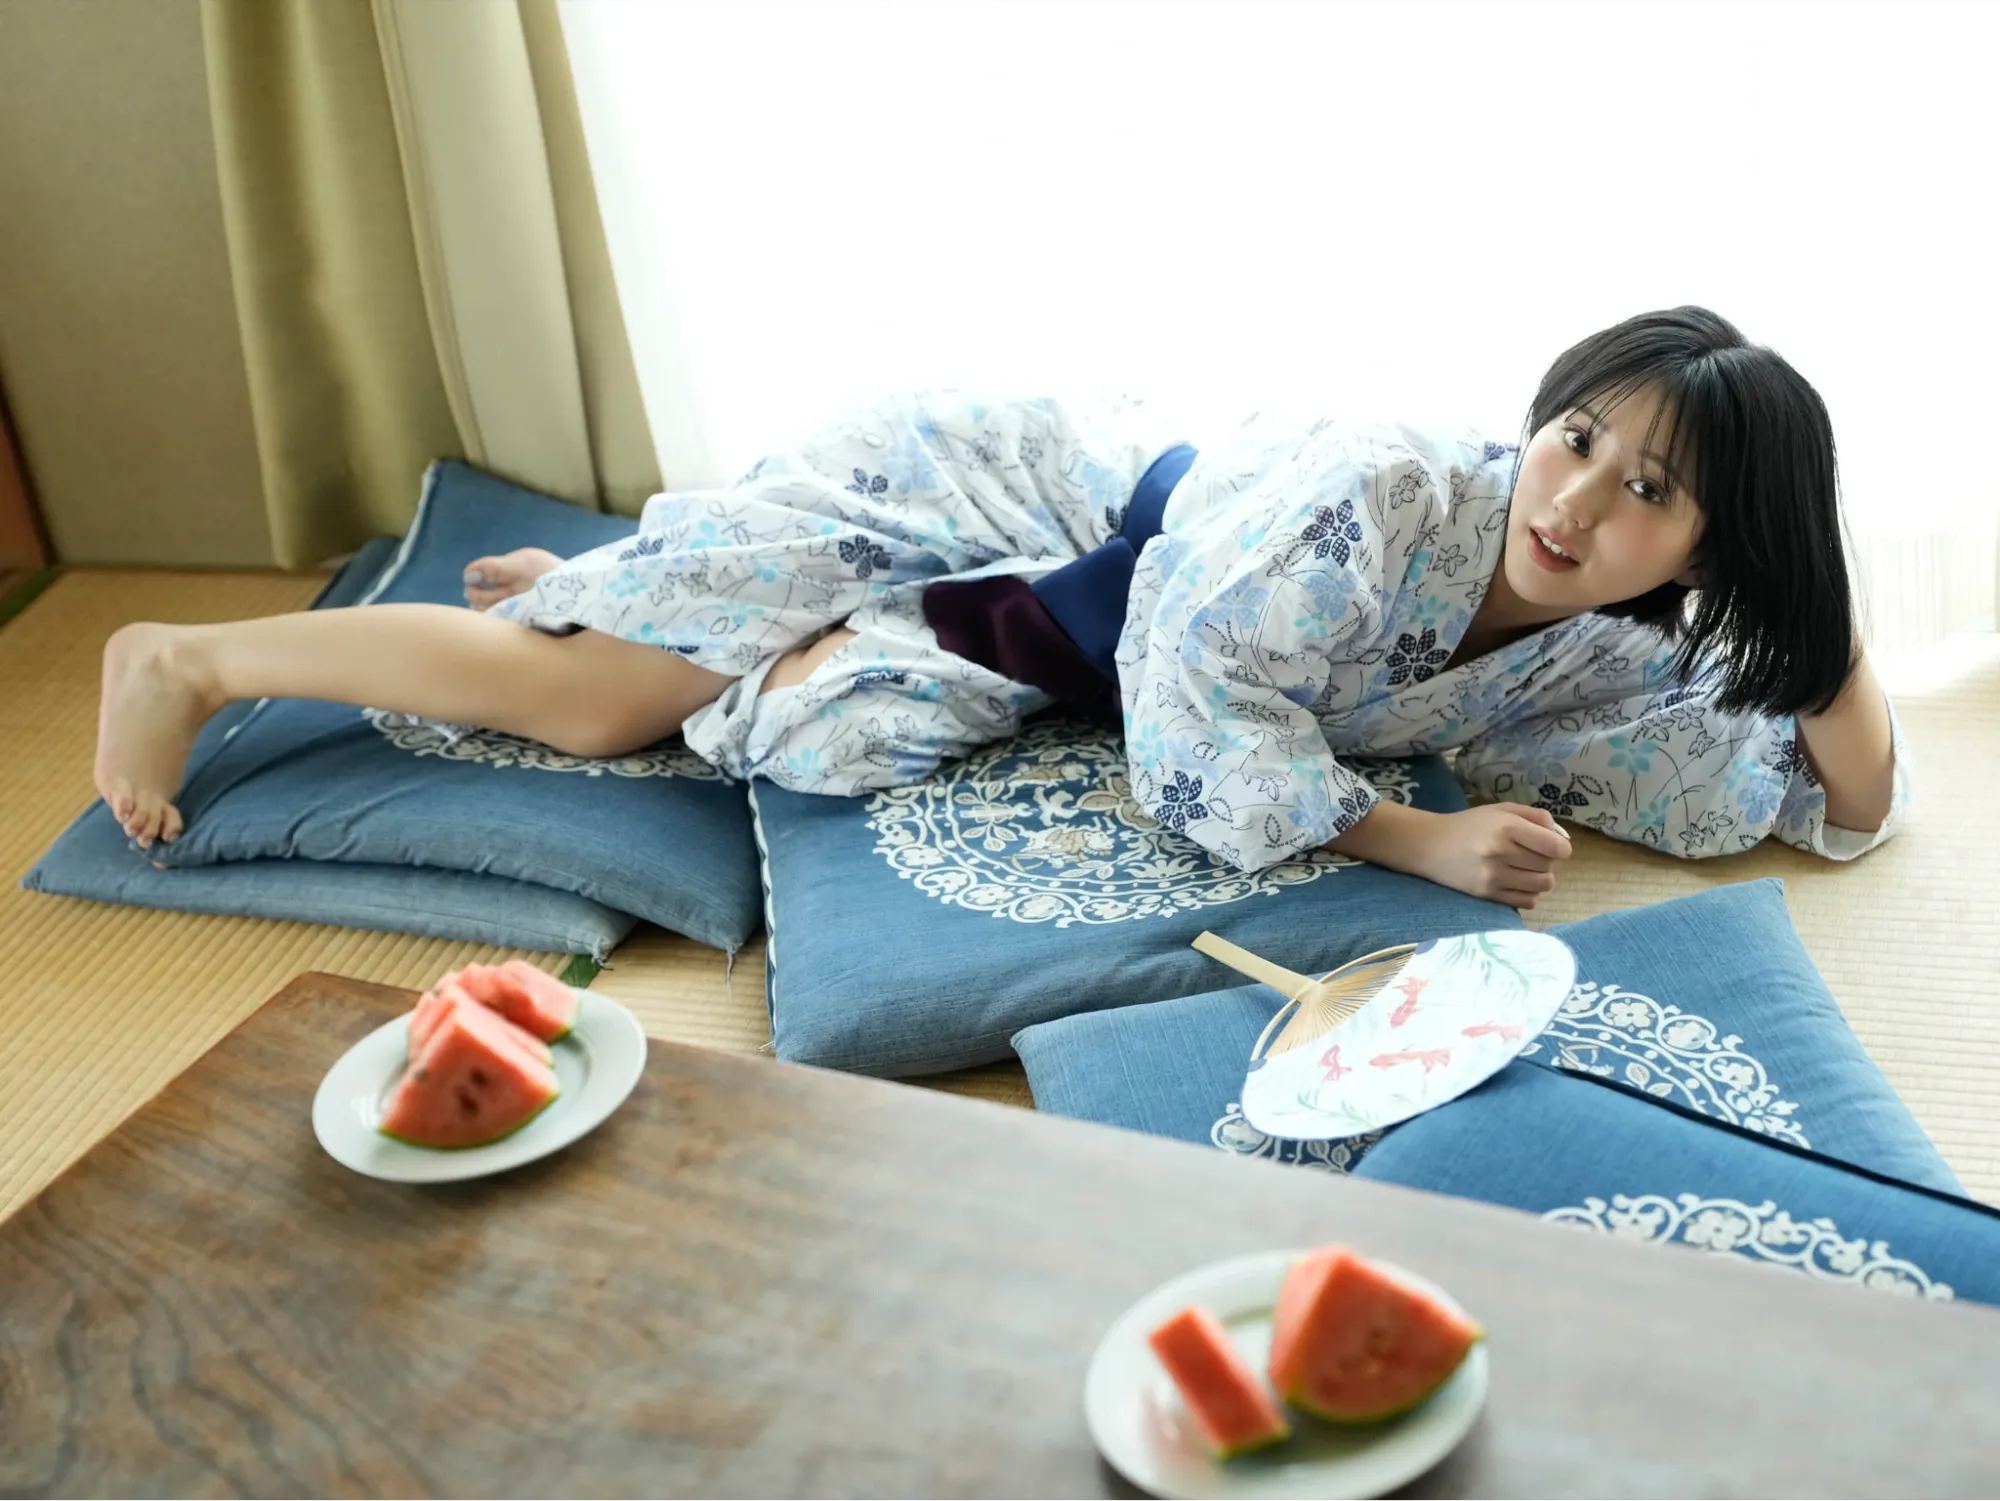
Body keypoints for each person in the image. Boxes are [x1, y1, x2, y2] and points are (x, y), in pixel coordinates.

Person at [94, 305, 1902, 909]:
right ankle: (188, 656)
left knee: (681, 655)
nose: (1573, 501)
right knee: (596, 702)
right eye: (1578, 436)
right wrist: (1408, 839)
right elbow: (1187, 706)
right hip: (996, 492)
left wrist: (1821, 635)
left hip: (1066, 597)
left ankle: (628, 576)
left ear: (1710, 550)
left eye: (1649, 491)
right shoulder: (1379, 495)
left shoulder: (1605, 640)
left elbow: (1832, 800)